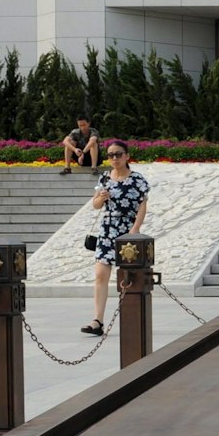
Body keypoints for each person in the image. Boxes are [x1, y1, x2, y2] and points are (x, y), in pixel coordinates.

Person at [82, 140, 148, 335]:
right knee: (101, 275)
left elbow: (143, 205)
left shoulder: (137, 179)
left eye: (118, 154)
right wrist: (100, 198)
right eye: (110, 155)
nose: (114, 158)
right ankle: (97, 320)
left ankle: (132, 317)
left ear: (127, 156)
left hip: (127, 228)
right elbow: (95, 205)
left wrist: (135, 229)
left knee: (129, 276)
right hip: (107, 229)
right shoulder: (104, 178)